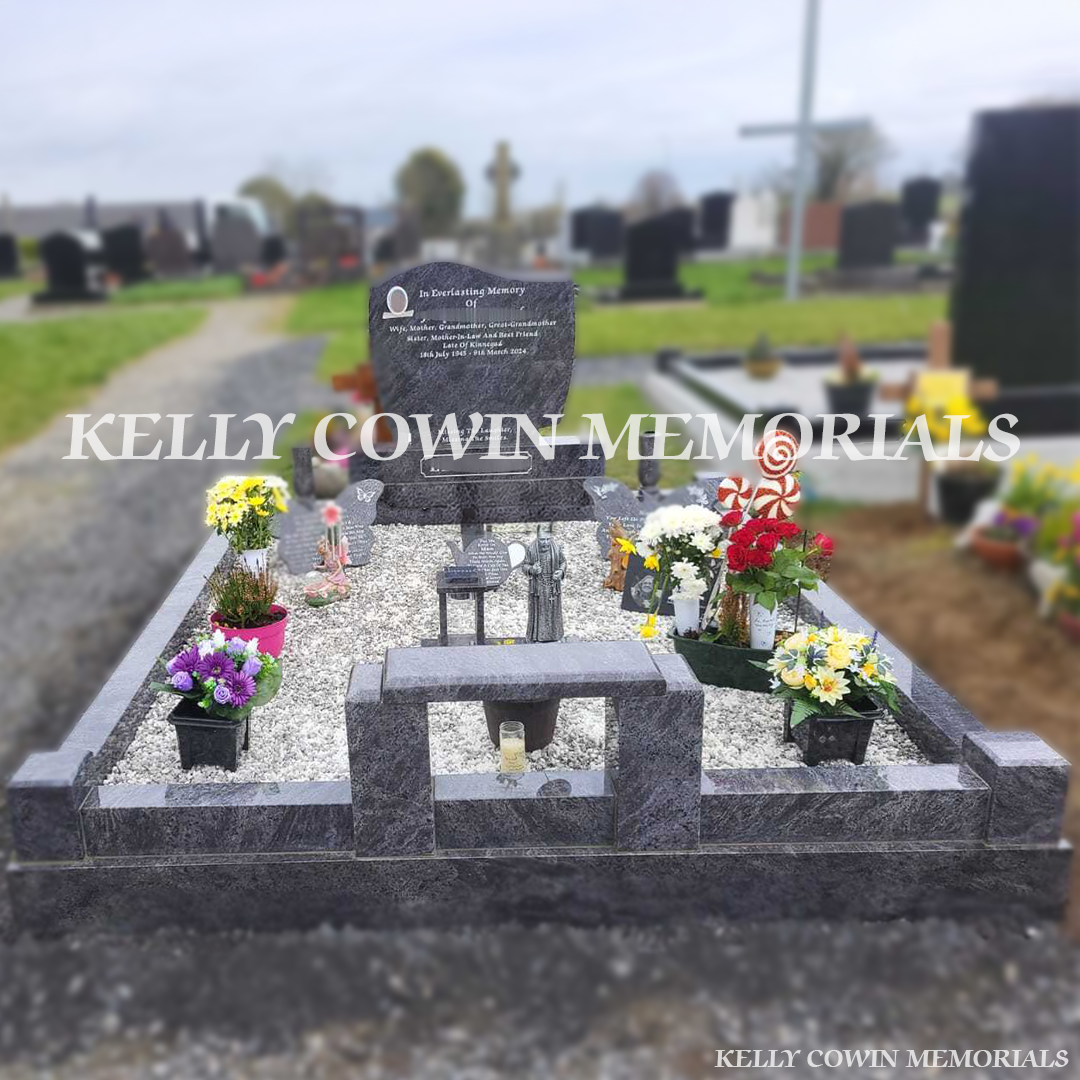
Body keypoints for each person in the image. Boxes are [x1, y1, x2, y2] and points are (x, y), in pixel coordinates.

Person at [523, 524, 566, 642]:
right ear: (537, 537)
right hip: (538, 587)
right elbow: (524, 566)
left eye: (548, 539)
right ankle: (538, 636)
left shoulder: (556, 547)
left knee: (554, 611)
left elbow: (563, 562)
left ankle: (555, 635)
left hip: (553, 586)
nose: (545, 542)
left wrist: (561, 572)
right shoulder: (531, 549)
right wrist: (533, 570)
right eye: (542, 539)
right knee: (539, 611)